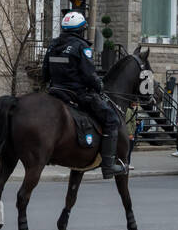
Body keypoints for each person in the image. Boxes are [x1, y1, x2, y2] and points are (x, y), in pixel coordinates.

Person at [42, 11, 127, 178]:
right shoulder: (81, 47)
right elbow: (89, 75)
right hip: (77, 94)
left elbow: (45, 73)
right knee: (112, 119)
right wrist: (99, 85)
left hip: (55, 92)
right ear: (80, 30)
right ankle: (108, 165)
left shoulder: (52, 45)